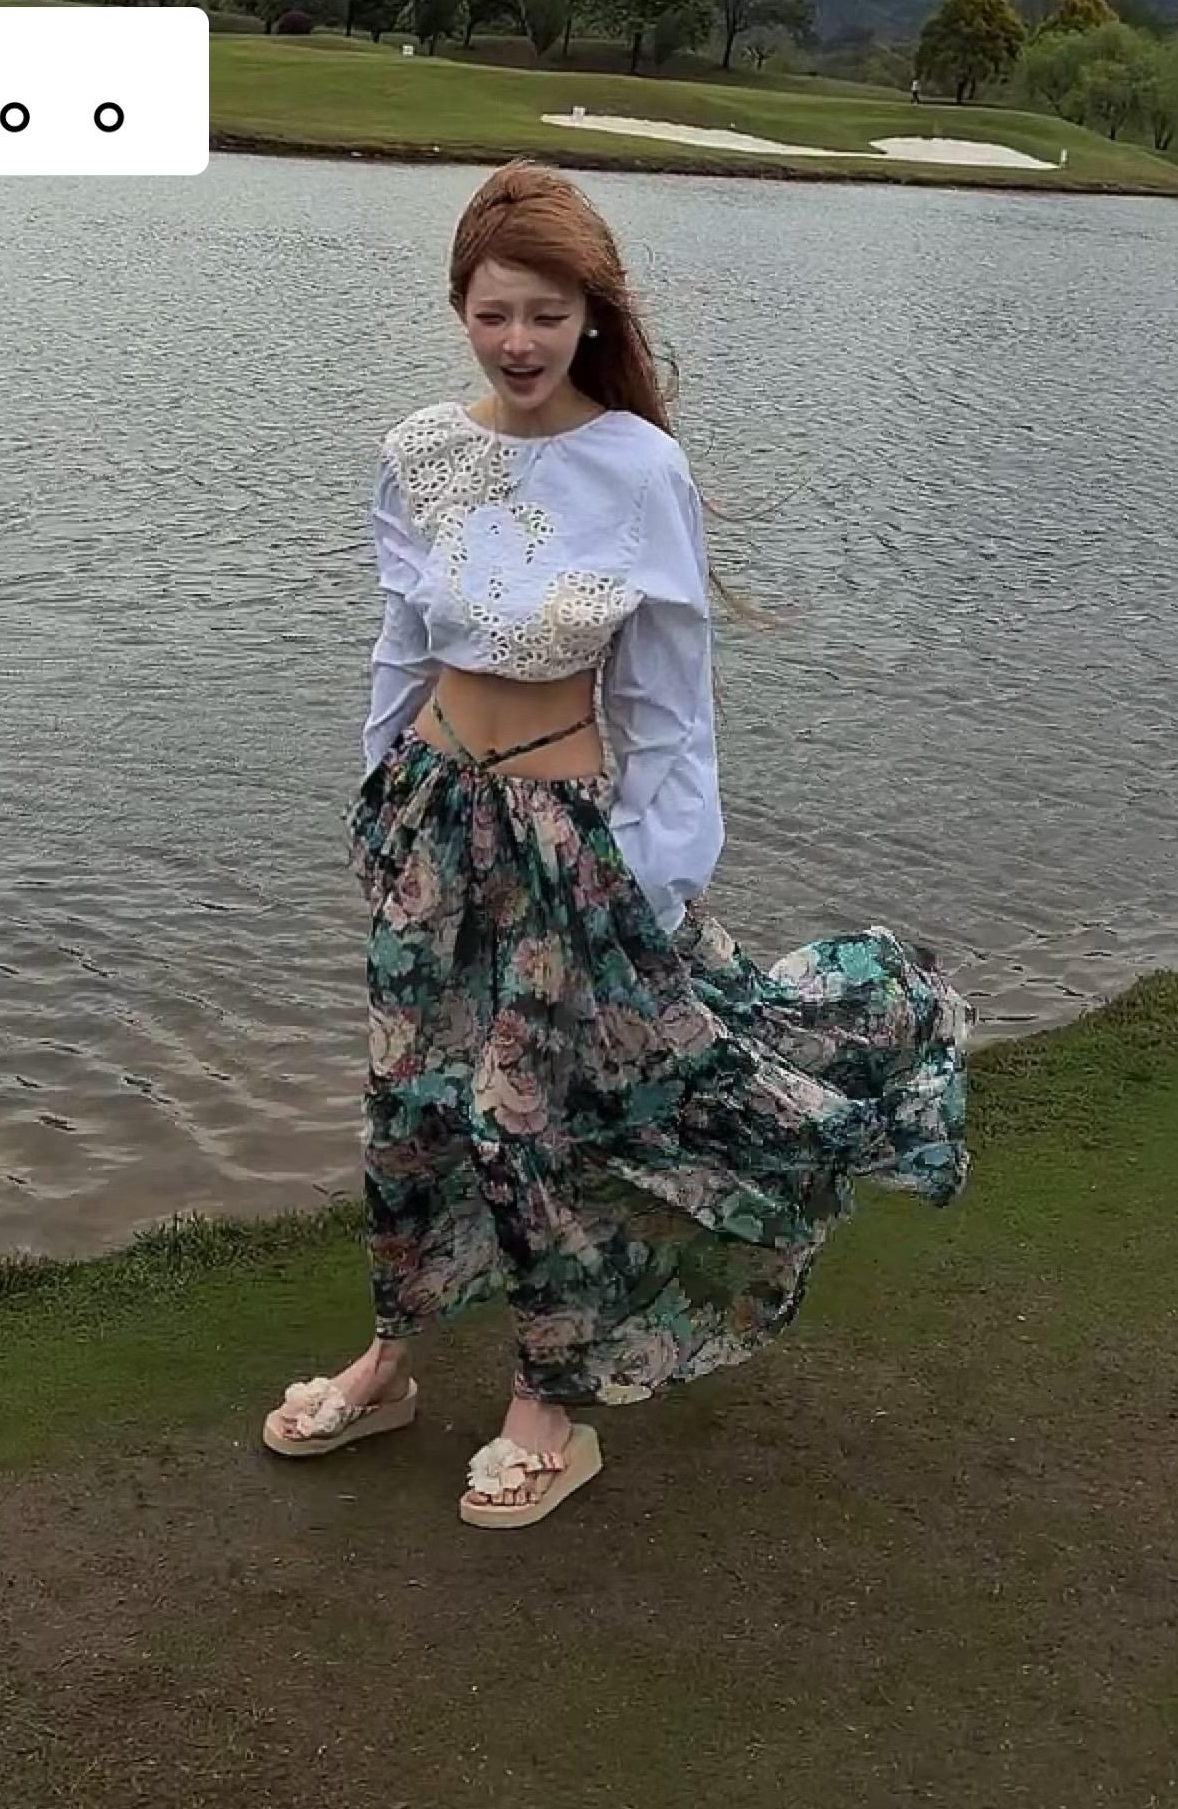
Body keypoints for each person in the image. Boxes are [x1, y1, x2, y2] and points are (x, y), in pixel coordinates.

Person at [264, 160, 970, 1530]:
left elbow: (668, 704)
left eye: (546, 313)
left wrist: (651, 877)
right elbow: (402, 644)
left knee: (522, 1115)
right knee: (409, 1101)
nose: (519, 341)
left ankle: (549, 1402)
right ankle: (391, 1361)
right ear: (458, 310)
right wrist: (376, 798)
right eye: (493, 314)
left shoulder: (642, 468)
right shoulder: (419, 451)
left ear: (593, 314)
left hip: (565, 841)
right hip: (429, 817)